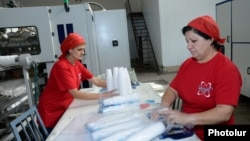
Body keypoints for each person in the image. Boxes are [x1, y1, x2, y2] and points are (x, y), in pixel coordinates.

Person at [157, 15, 242, 140]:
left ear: (211, 39)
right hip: (187, 131)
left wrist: (187, 118)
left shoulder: (226, 70)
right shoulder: (187, 64)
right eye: (187, 41)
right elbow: (173, 90)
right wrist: (164, 106)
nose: (188, 46)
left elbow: (224, 113)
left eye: (194, 41)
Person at [37, 33, 117, 133]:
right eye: (79, 50)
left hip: (65, 106)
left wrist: (116, 84)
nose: (83, 53)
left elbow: (96, 81)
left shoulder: (76, 64)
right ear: (70, 50)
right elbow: (75, 93)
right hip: (51, 111)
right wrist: (102, 95)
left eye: (83, 50)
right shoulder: (61, 67)